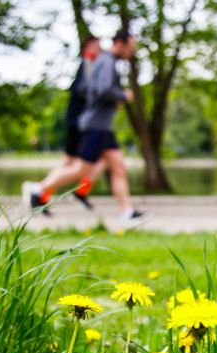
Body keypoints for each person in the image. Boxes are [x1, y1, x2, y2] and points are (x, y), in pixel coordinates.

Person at [23, 30, 148, 227]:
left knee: (118, 166)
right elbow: (103, 90)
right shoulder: (107, 61)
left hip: (102, 126)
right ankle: (38, 188)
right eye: (131, 47)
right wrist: (123, 96)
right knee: (82, 167)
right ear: (121, 43)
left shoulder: (105, 61)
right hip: (95, 126)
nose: (132, 52)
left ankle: (127, 212)